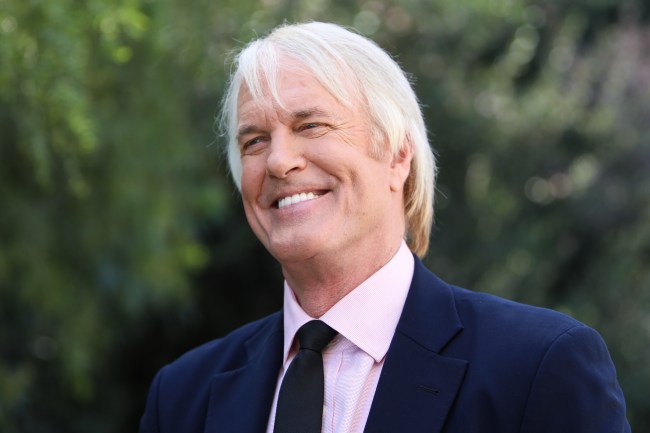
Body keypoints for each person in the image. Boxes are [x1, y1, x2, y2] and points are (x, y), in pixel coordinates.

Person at [139, 21, 630, 433]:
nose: (279, 161)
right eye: (254, 141)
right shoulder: (183, 397)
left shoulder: (538, 367)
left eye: (311, 126)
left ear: (397, 157)